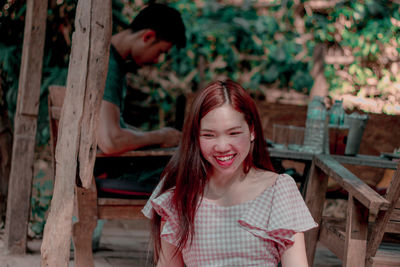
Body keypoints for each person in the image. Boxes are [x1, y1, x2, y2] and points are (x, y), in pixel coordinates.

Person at [142, 80, 317, 266]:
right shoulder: (179, 196)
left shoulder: (278, 191)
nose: (222, 146)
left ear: (252, 131)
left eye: (233, 133)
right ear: (195, 137)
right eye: (209, 135)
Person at [97, 3, 186, 155]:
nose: (158, 60)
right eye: (160, 52)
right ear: (148, 36)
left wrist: (161, 137)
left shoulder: (114, 62)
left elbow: (115, 129)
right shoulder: (106, 64)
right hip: (100, 171)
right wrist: (161, 136)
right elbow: (110, 141)